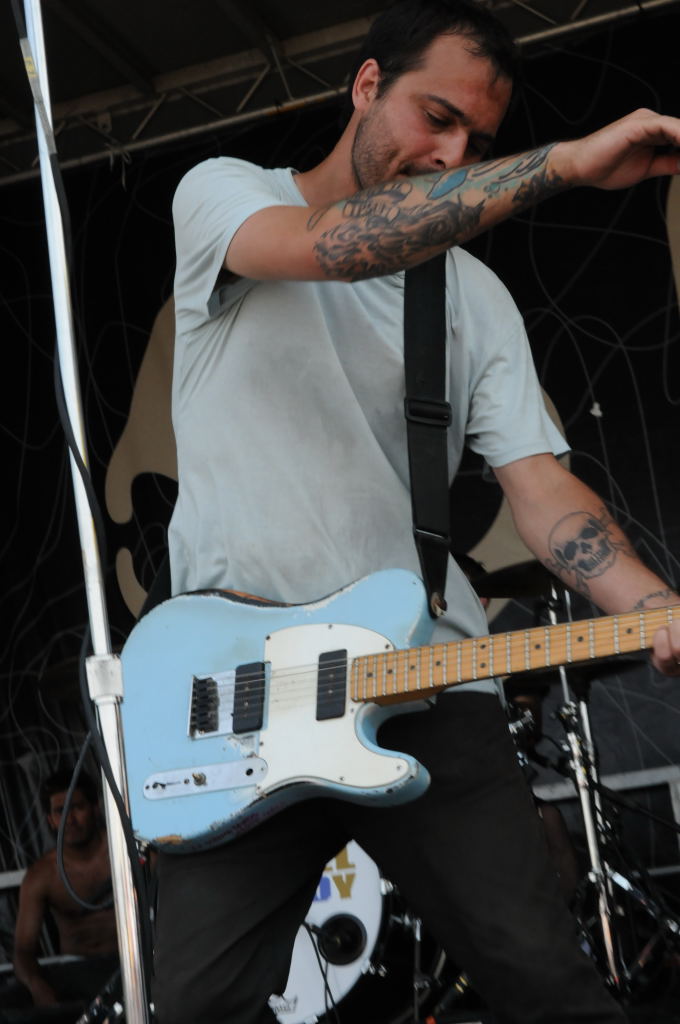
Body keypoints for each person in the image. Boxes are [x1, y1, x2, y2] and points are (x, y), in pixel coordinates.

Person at [155, 1, 680, 1021]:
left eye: (474, 142)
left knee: (545, 985)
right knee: (196, 1007)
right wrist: (564, 165)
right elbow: (333, 245)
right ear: (365, 85)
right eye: (434, 118)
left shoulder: (471, 297)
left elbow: (541, 491)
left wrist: (651, 602)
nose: (448, 155)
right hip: (242, 701)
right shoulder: (222, 195)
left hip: (427, 684)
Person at [13, 770, 119, 1008]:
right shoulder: (41, 876)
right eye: (60, 811)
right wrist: (36, 985)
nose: (69, 819)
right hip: (78, 972)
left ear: (95, 808)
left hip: (135, 960)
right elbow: (22, 950)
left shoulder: (124, 851)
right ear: (50, 820)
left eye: (77, 807)